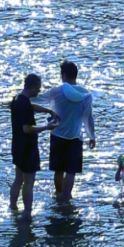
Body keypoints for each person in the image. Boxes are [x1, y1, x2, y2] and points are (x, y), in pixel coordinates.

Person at [33, 60, 96, 202]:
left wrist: (21, 97)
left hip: (58, 135)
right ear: (76, 75)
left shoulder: (56, 91)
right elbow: (88, 118)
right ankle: (66, 197)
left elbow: (38, 99)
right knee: (71, 171)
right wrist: (92, 136)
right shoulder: (86, 95)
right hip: (75, 137)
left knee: (58, 170)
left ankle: (59, 195)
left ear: (64, 75)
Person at [9, 72, 56, 214]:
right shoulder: (24, 104)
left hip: (17, 146)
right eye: (38, 88)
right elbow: (27, 129)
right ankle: (27, 213)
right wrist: (46, 127)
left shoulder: (18, 99)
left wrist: (48, 110)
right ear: (33, 87)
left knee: (18, 179)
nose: (39, 91)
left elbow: (31, 106)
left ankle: (13, 207)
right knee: (29, 183)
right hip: (27, 148)